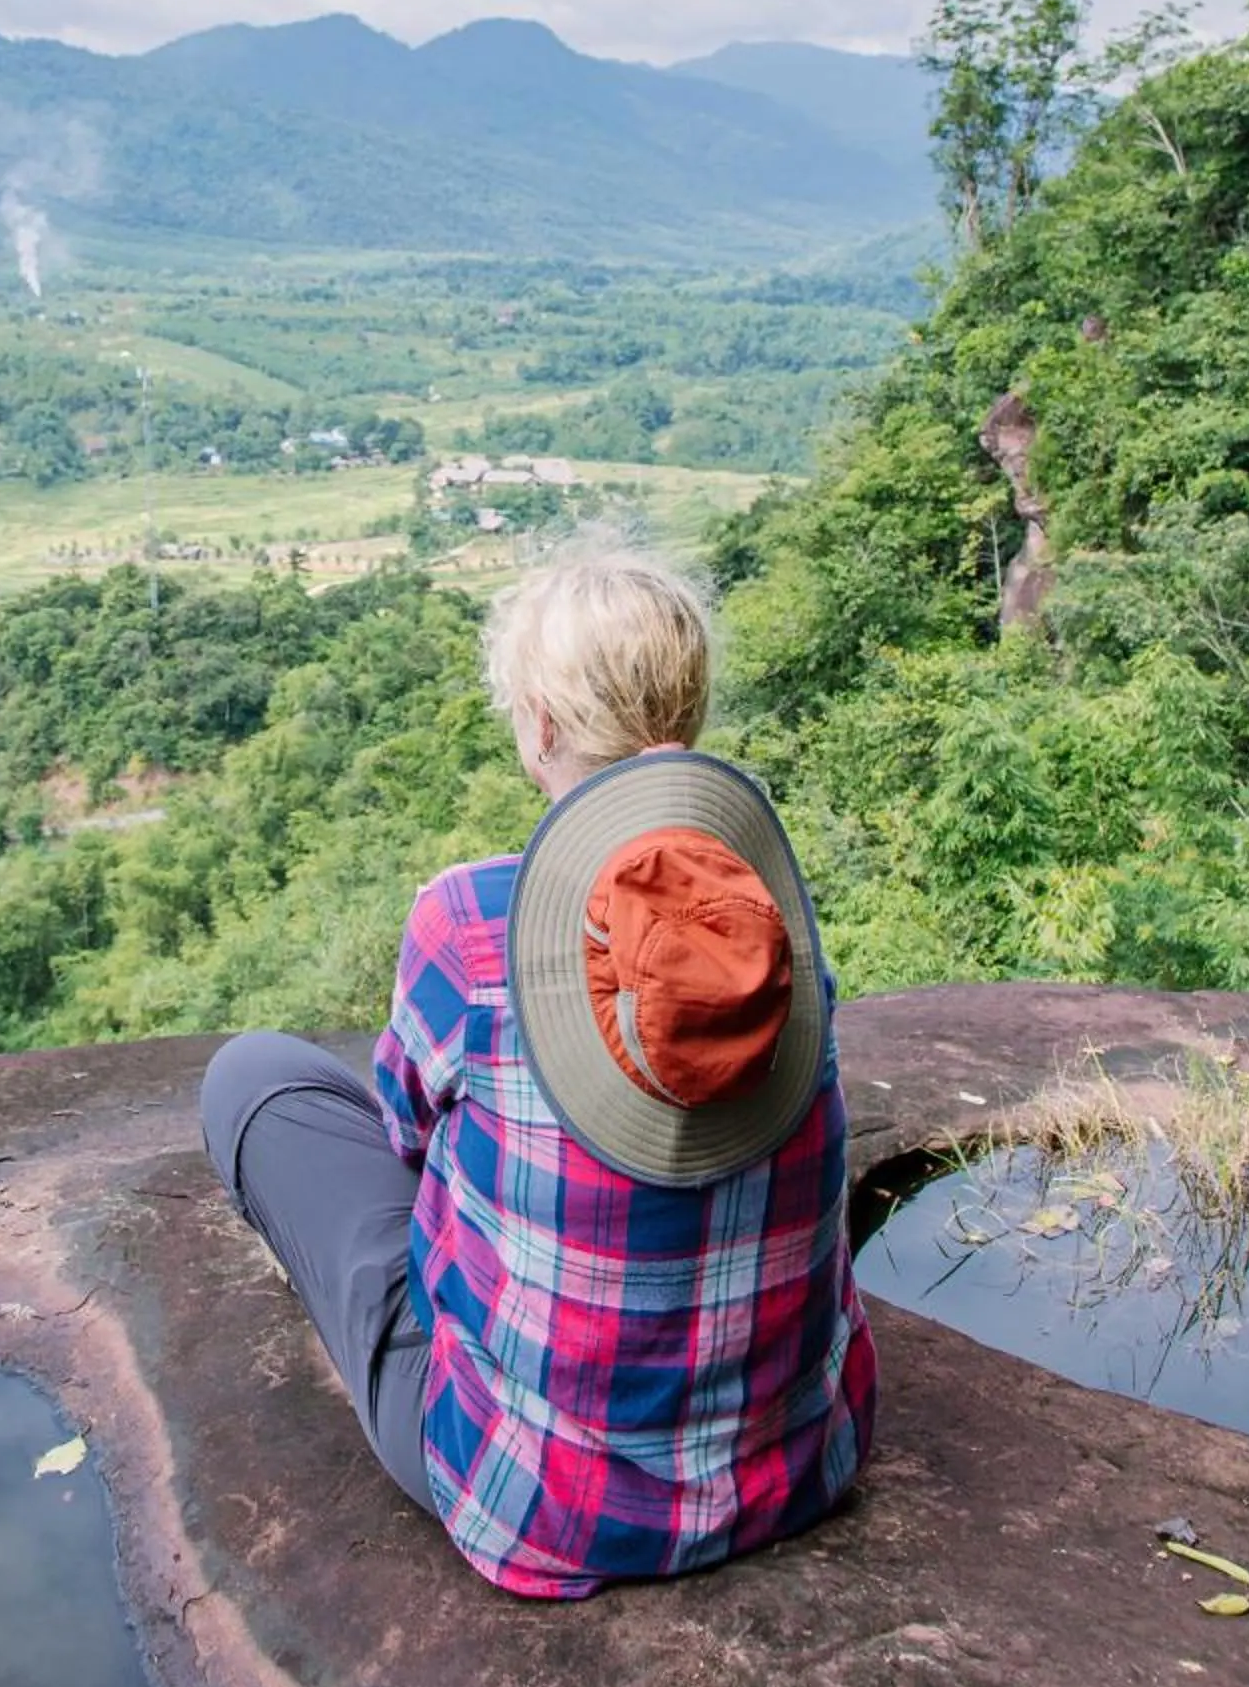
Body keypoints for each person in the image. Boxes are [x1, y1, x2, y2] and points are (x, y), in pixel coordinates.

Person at [199, 539, 877, 1600]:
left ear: (542, 725)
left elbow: (407, 1140)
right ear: (685, 713)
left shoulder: (470, 921)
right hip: (792, 1468)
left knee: (253, 1077)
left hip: (540, 1506)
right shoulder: (767, 922)